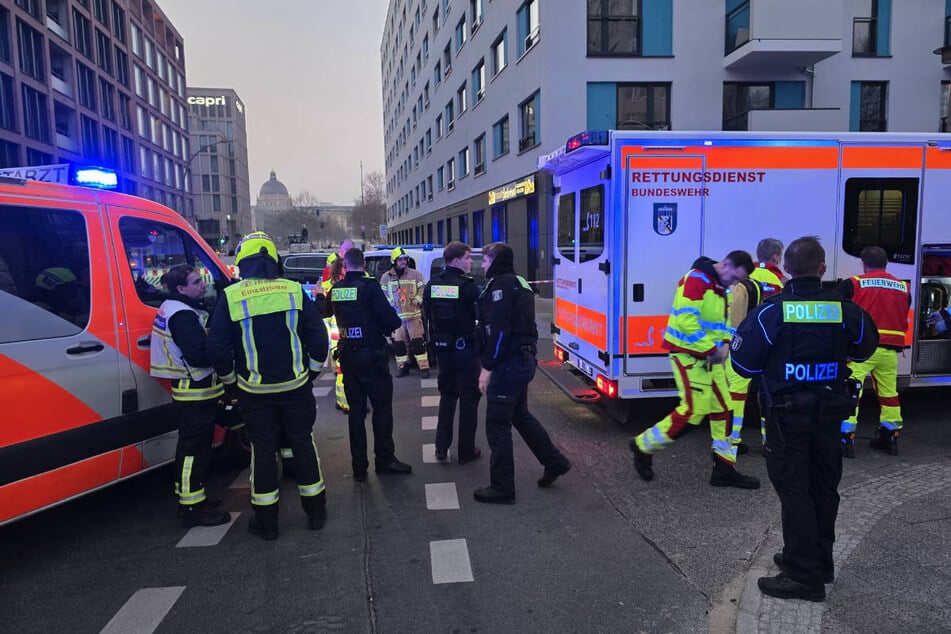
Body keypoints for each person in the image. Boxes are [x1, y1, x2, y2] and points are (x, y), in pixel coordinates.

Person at [731, 236, 877, 602]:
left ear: (787, 271)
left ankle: (803, 577)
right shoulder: (844, 310)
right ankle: (817, 561)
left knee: (795, 490)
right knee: (824, 487)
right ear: (823, 268)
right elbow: (866, 347)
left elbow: (743, 363)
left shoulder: (772, 312)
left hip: (786, 418)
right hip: (829, 416)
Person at [207, 232, 329, 541]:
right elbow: (318, 338)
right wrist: (310, 373)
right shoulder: (292, 290)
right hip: (295, 387)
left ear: (243, 263)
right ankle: (316, 514)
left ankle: (267, 523)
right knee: (303, 444)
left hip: (255, 392)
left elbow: (218, 348)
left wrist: (232, 383)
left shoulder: (232, 296)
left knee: (262, 452)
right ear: (273, 261)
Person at [628, 251, 759, 488]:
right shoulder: (697, 280)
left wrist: (726, 342)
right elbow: (686, 321)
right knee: (692, 412)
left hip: (710, 357)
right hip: (689, 356)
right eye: (734, 277)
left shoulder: (720, 286)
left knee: (723, 409)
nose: (735, 284)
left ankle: (724, 469)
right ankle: (643, 446)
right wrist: (712, 349)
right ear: (726, 264)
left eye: (739, 280)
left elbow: (720, 324)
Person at [474, 242, 570, 504]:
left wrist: (487, 366)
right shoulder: (520, 282)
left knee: (497, 424)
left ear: (494, 259)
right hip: (523, 360)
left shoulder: (500, 287)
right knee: (520, 415)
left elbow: (499, 330)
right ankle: (555, 462)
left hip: (508, 364)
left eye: (484, 260)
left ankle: (502, 487)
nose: (481, 266)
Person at [149, 264, 231, 528]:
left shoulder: (176, 307)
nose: (203, 285)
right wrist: (222, 351)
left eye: (201, 280)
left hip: (194, 390)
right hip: (193, 391)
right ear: (181, 288)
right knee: (192, 451)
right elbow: (198, 353)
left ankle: (197, 497)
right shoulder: (182, 315)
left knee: (199, 448)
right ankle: (191, 507)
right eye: (196, 282)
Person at [326, 247, 413, 481]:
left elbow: (324, 312)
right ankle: (384, 460)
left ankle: (359, 468)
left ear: (345, 267)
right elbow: (391, 321)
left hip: (348, 357)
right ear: (363, 265)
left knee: (356, 412)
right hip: (372, 357)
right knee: (382, 409)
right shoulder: (370, 287)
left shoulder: (336, 290)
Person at [836, 246, 911, 457]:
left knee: (851, 393)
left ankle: (845, 439)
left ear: (863, 263)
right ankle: (891, 437)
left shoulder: (854, 283)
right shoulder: (903, 287)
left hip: (861, 350)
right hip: (890, 352)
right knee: (889, 394)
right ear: (886, 263)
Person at [422, 241, 482, 464]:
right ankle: (466, 450)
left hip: (443, 349)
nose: (470, 262)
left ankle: (440, 447)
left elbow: (426, 315)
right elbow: (479, 316)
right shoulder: (467, 286)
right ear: (456, 260)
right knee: (469, 399)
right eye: (467, 258)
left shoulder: (432, 284)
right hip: (465, 349)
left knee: (447, 396)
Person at [727, 238, 786, 454]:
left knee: (737, 394)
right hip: (769, 345)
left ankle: (733, 441)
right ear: (776, 257)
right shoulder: (779, 281)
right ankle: (767, 442)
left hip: (741, 341)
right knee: (766, 395)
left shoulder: (745, 274)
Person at [381, 246, 431, 378]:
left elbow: (422, 289)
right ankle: (403, 367)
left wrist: (417, 300)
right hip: (397, 318)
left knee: (418, 343)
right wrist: (389, 305)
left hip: (414, 315)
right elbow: (383, 293)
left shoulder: (415, 274)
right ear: (394, 261)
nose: (403, 261)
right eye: (400, 259)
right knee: (399, 345)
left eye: (405, 259)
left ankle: (424, 368)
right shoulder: (386, 277)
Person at [321, 254, 349, 413]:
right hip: (339, 331)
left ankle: (343, 401)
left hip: (336, 331)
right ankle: (345, 403)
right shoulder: (336, 288)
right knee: (343, 370)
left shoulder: (331, 286)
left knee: (341, 370)